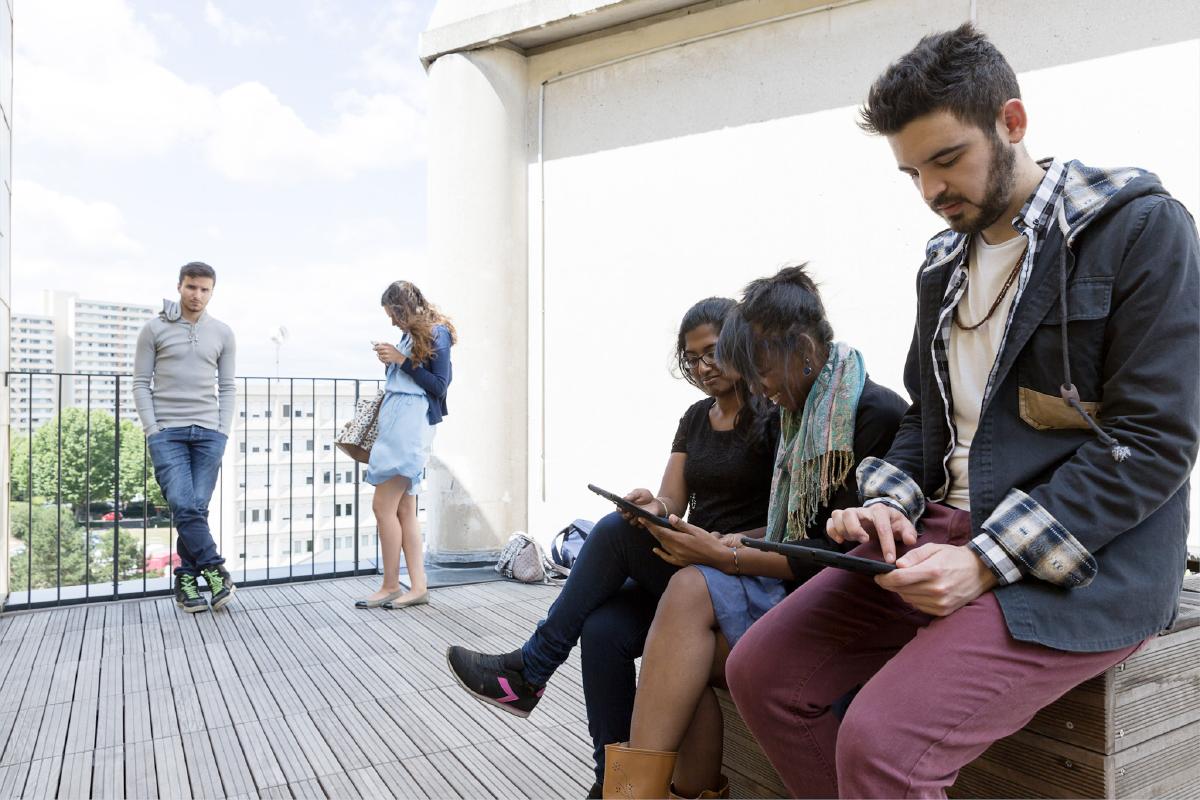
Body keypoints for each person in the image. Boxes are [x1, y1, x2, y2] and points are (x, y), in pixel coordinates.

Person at [726, 24, 1200, 799]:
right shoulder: (941, 264)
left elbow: (1153, 443)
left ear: (1011, 122)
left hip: (1083, 561)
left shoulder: (1139, 230)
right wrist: (881, 503)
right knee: (762, 672)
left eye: (947, 160)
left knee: (881, 744)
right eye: (912, 172)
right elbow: (927, 419)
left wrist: (982, 561)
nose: (931, 191)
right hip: (940, 533)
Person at [446, 297, 780, 797]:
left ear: (740, 342)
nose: (702, 367)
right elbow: (673, 500)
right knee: (603, 629)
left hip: (737, 573)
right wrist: (652, 505)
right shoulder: (694, 418)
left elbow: (785, 521)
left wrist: (721, 542)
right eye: (692, 359)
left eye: (711, 352)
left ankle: (532, 669)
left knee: (609, 533)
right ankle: (612, 786)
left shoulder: (774, 418)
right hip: (687, 566)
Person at [608, 266, 906, 800]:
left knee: (680, 615)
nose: (759, 385)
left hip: (850, 608)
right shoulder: (796, 415)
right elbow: (782, 532)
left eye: (761, 368)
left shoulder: (871, 412)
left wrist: (726, 555)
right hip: (790, 591)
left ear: (805, 347)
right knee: (665, 630)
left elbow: (838, 557)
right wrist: (718, 547)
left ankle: (631, 793)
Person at [133, 262, 237, 613]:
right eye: (191, 287)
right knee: (183, 503)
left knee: (196, 509)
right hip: (167, 432)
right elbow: (139, 383)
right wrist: (152, 428)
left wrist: (222, 430)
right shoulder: (154, 329)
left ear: (212, 292)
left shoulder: (223, 333)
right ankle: (216, 570)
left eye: (205, 289)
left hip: (209, 433)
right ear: (179, 286)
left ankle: (186, 581)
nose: (197, 295)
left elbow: (227, 386)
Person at [355, 280, 455, 610]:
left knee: (382, 507)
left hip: (410, 426)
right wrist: (393, 362)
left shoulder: (436, 332)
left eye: (392, 314)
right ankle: (417, 586)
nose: (392, 321)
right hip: (399, 421)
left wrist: (400, 360)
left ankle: (390, 585)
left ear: (403, 308)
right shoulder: (410, 335)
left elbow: (439, 385)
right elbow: (412, 374)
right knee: (403, 509)